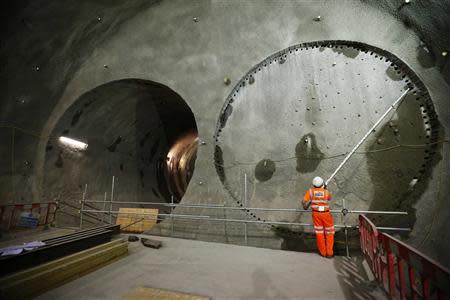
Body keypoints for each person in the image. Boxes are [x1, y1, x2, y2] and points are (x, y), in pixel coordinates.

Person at [302, 176, 335, 258]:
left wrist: (306, 206)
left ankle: (323, 252)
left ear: (313, 184)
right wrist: (325, 188)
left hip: (316, 214)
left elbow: (303, 201)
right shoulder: (326, 192)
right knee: (329, 233)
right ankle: (329, 253)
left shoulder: (310, 192)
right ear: (322, 183)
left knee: (319, 233)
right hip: (326, 214)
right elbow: (329, 198)